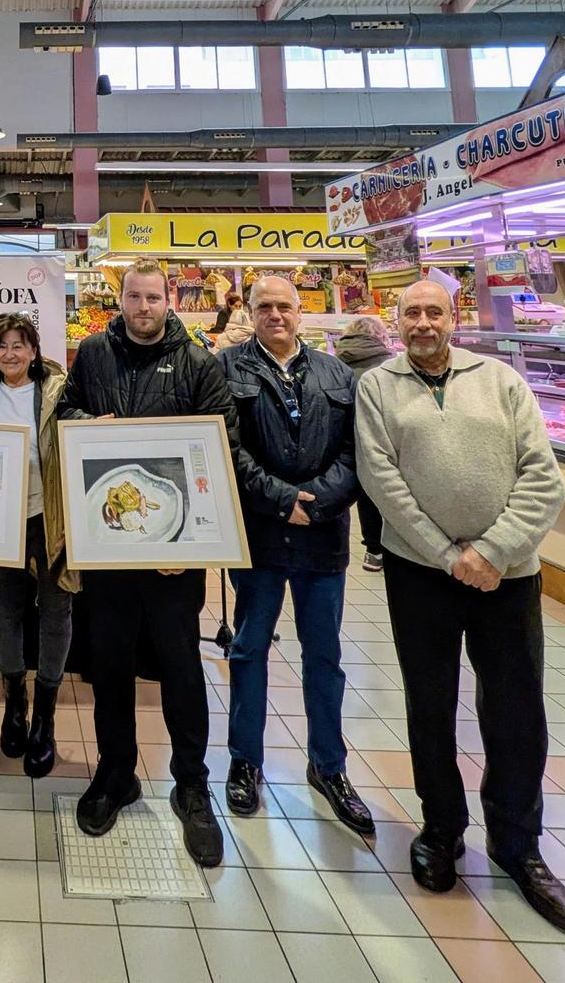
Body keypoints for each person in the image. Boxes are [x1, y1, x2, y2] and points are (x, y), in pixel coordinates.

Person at [356, 279, 565, 933]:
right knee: (429, 703)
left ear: (452, 318)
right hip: (420, 573)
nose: (422, 322)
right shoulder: (379, 388)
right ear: (398, 322)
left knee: (515, 708)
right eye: (412, 313)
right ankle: (441, 828)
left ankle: (518, 845)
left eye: (433, 311)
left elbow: (543, 475)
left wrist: (494, 550)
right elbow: (380, 478)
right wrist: (447, 555)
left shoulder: (501, 381)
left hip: (508, 576)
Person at [59, 257, 236, 861]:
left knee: (181, 666)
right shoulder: (92, 355)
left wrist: (190, 543)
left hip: (174, 555)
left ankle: (192, 784)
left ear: (169, 300)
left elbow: (222, 445)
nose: (143, 308)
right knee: (108, 666)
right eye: (133, 297)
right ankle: (116, 774)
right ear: (121, 299)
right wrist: (91, 425)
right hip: (109, 548)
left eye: (153, 297)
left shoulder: (197, 363)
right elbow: (65, 416)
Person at [219, 277, 373, 834]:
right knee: (248, 649)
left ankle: (329, 766)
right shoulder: (227, 369)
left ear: (301, 312)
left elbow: (360, 451)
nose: (275, 315)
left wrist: (320, 501)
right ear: (250, 312)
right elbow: (225, 449)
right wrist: (285, 501)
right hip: (259, 534)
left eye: (285, 306)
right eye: (265, 307)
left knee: (324, 658)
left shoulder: (340, 376)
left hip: (324, 537)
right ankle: (245, 761)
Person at [0, 312, 76, 779]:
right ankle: (14, 703)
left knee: (56, 609)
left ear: (35, 350)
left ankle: (46, 715)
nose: (11, 354)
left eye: (20, 344)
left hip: (49, 514)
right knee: (5, 611)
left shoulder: (58, 390)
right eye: (3, 346)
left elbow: (76, 429)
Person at [335, 315, 395, 572]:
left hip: (350, 442)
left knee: (366, 495)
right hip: (386, 440)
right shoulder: (389, 366)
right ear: (380, 336)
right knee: (391, 493)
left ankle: (373, 550)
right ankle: (397, 546)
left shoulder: (335, 364)